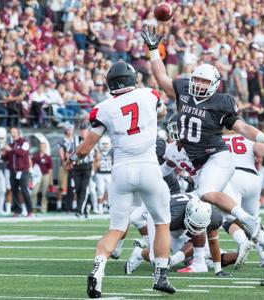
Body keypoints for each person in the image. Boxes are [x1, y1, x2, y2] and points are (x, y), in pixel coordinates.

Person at [143, 25, 264, 250]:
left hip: (217, 159)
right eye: (197, 80)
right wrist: (153, 49)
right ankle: (263, 240)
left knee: (206, 196)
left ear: (214, 85)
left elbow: (242, 127)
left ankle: (247, 224)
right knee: (213, 211)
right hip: (201, 165)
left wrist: (263, 138)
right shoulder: (184, 90)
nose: (199, 84)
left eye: (205, 82)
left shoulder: (221, 102)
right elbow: (161, 77)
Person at [66, 61, 175, 297]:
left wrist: (72, 158)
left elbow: (86, 147)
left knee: (116, 228)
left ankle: (98, 271)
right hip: (148, 167)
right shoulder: (149, 94)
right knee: (161, 222)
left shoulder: (103, 108)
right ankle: (160, 275)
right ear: (133, 79)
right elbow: (163, 111)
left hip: (122, 171)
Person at [222, 132, 264, 268]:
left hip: (231, 177)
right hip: (253, 178)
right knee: (253, 220)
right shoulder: (247, 138)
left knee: (228, 219)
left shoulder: (217, 138)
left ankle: (244, 243)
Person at [3, 127, 33, 217]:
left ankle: (30, 211)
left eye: (14, 132)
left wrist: (10, 150)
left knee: (24, 190)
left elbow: (22, 153)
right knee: (14, 191)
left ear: (18, 132)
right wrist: (3, 154)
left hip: (23, 170)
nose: (13, 133)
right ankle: (17, 210)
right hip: (13, 171)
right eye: (11, 132)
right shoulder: (11, 144)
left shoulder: (24, 142)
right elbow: (7, 158)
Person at [31, 142, 53, 213]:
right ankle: (33, 207)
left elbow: (50, 169)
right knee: (34, 192)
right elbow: (32, 167)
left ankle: (43, 208)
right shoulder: (35, 156)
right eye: (41, 146)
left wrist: (51, 180)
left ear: (45, 148)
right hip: (37, 176)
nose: (42, 148)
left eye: (44, 147)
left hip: (45, 175)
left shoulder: (48, 157)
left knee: (44, 193)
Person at [94, 136, 112, 214]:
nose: (105, 146)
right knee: (100, 190)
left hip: (109, 174)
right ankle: (100, 206)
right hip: (100, 174)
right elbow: (94, 163)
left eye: (106, 144)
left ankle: (109, 206)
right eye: (103, 144)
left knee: (110, 191)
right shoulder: (97, 152)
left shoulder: (112, 152)